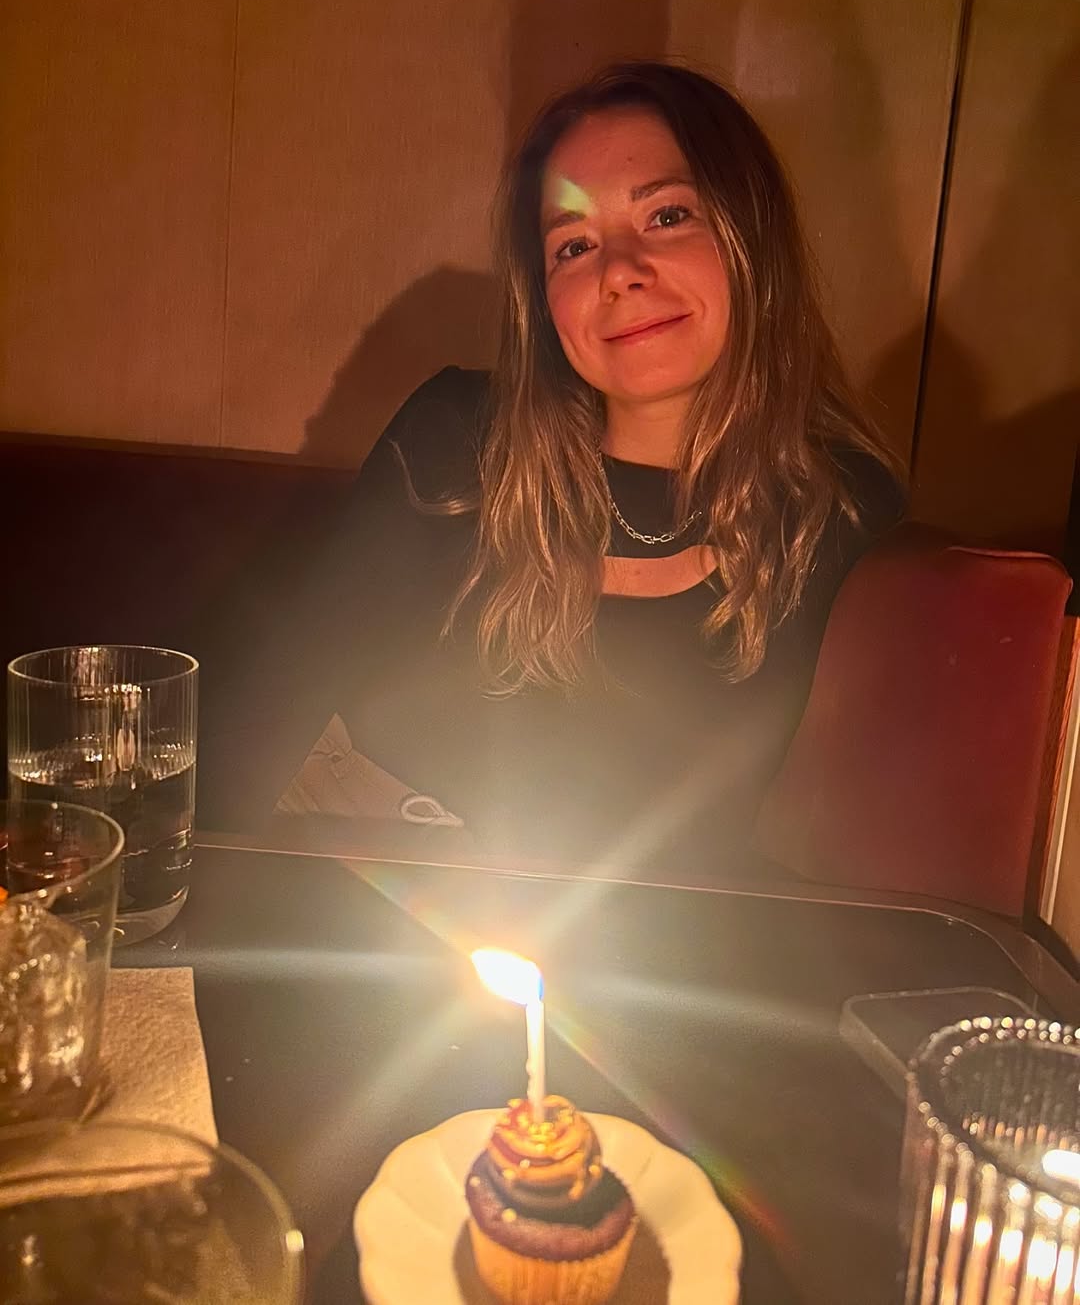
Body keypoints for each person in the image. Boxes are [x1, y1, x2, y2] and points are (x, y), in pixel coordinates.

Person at [198, 62, 905, 876]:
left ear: (753, 238)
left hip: (633, 946)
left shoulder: (840, 508)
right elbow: (272, 701)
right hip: (336, 888)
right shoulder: (458, 441)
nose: (619, 270)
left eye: (667, 215)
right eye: (575, 245)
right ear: (545, 298)